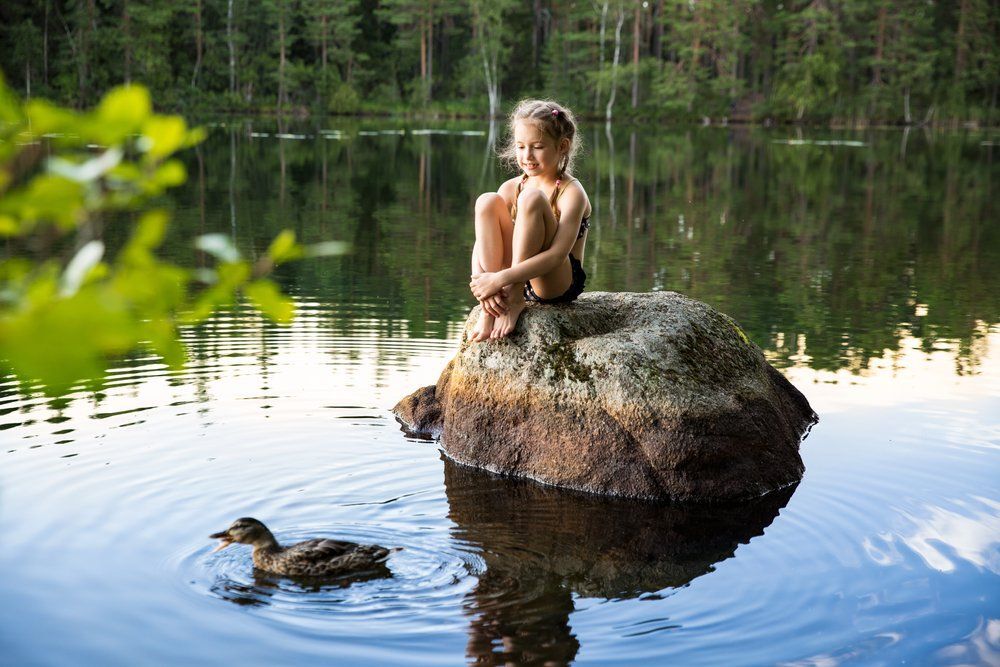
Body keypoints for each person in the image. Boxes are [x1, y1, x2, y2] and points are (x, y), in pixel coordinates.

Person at [468, 99, 592, 342]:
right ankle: (490, 308)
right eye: (521, 146)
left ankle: (515, 298)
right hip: (513, 277)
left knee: (532, 198)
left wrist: (501, 279)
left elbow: (556, 255)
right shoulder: (512, 186)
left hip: (554, 282)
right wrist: (483, 284)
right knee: (486, 201)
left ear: (562, 146)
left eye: (537, 147)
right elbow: (482, 240)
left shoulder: (571, 192)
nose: (527, 156)